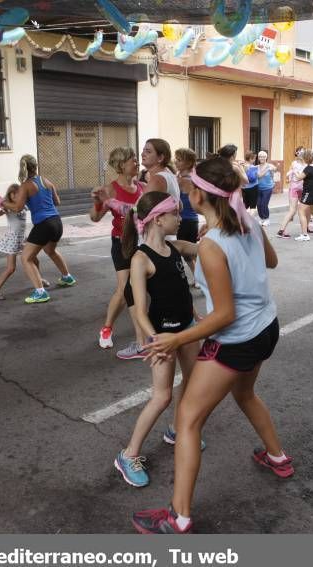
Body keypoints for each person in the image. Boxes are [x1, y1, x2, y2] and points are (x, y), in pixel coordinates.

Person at [132, 157, 289, 534]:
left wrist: (178, 337)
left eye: (188, 185)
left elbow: (224, 315)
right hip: (267, 327)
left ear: (201, 195)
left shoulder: (213, 245)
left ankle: (179, 516)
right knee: (246, 394)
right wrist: (199, 248)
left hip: (237, 339)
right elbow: (270, 260)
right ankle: (277, 458)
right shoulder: (245, 220)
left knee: (187, 419)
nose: (185, 190)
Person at [113, 192, 201, 487]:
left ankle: (176, 430)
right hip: (163, 335)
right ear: (159, 218)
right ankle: (128, 454)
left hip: (188, 329)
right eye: (176, 213)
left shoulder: (174, 247)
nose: (181, 218)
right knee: (162, 396)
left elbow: (202, 251)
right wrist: (152, 339)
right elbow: (138, 309)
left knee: (191, 382)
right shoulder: (140, 259)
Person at [89, 147, 145, 352]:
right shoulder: (110, 189)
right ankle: (106, 328)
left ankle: (143, 332)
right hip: (121, 243)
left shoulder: (142, 187)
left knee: (141, 288)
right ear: (121, 165)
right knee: (124, 291)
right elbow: (94, 218)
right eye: (133, 160)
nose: (137, 163)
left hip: (141, 242)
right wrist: (97, 201)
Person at [1, 155, 76, 304]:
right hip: (56, 222)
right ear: (36, 166)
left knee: (26, 258)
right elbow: (57, 201)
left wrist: (3, 203)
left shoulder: (26, 185)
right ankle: (67, 277)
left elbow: (17, 207)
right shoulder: (46, 181)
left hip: (44, 224)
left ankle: (40, 292)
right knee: (50, 250)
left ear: (23, 167)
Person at [0, 183, 48, 300]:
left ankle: (38, 280)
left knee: (35, 260)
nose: (17, 196)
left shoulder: (22, 205)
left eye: (19, 194)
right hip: (13, 240)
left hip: (22, 239)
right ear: (10, 196)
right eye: (14, 195)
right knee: (11, 268)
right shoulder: (9, 207)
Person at [174, 148, 200, 277]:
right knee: (190, 253)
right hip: (191, 220)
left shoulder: (183, 180)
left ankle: (201, 279)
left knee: (188, 253)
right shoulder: (191, 177)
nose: (175, 162)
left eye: (179, 160)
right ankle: (200, 278)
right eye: (176, 159)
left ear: (188, 163)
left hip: (185, 220)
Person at [276, 147, 306, 238]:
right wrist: (288, 178)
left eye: (302, 152)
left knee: (303, 210)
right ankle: (281, 230)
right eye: (299, 152)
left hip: (303, 188)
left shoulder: (306, 164)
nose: (300, 154)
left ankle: (305, 229)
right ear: (296, 154)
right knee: (293, 210)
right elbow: (289, 174)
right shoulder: (294, 163)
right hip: (294, 188)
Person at [255, 150, 276, 226]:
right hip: (258, 188)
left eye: (263, 156)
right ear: (258, 158)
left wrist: (273, 168)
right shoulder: (256, 167)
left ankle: (266, 219)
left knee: (264, 204)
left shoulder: (270, 166)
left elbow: (274, 171)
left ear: (266, 157)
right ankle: (262, 218)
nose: (261, 158)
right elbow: (258, 176)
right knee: (258, 204)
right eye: (260, 156)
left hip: (267, 188)